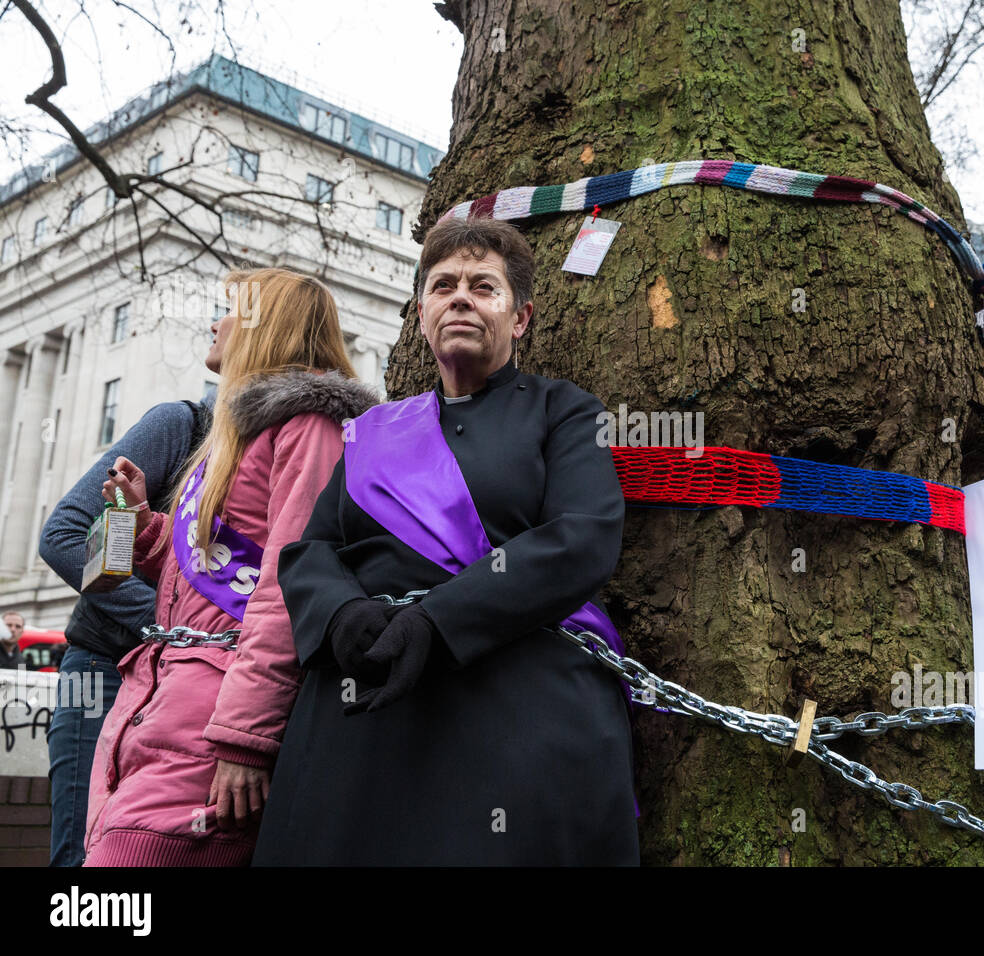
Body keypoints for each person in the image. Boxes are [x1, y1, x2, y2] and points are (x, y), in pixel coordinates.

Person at [253, 218, 638, 865]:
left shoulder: (565, 412)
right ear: (423, 314)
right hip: (364, 710)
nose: (460, 296)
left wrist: (438, 621)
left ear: (520, 319)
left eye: (484, 287)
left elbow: (583, 537)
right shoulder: (371, 432)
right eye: (443, 285)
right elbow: (310, 551)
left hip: (519, 700)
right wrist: (343, 614)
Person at [82, 268, 378, 866]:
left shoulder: (309, 427)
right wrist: (147, 528)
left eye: (229, 311)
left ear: (263, 328)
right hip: (158, 707)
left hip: (211, 726)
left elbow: (287, 585)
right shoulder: (237, 434)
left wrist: (245, 737)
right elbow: (210, 572)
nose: (215, 324)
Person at [39, 392, 211, 866]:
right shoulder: (183, 423)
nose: (217, 326)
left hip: (182, 683)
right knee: (83, 854)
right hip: (102, 668)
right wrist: (170, 620)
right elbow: (63, 536)